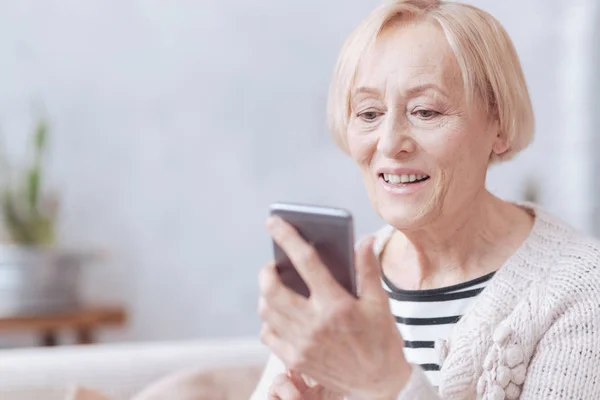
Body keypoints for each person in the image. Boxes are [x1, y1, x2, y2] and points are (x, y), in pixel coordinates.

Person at [251, 0, 600, 398]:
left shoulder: (584, 291)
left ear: (499, 125)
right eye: (368, 113)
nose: (389, 142)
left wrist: (383, 385)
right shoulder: (335, 289)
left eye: (426, 111)